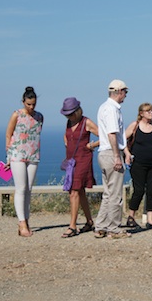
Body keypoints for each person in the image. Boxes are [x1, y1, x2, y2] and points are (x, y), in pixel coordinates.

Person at [94, 79, 133, 239]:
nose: (126, 95)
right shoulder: (111, 109)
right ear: (119, 92)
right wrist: (118, 156)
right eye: (125, 92)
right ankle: (114, 229)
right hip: (111, 153)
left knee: (108, 193)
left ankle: (101, 226)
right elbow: (112, 133)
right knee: (115, 194)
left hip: (104, 153)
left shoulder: (104, 107)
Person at [5, 86, 44, 237]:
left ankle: (26, 220)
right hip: (17, 155)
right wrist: (8, 157)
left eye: (33, 104)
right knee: (20, 188)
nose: (31, 107)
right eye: (28, 104)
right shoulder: (16, 115)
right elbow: (8, 135)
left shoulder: (40, 116)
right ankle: (22, 223)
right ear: (23, 102)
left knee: (28, 189)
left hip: (33, 155)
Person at [60, 97, 99, 238]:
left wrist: (92, 145)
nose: (68, 116)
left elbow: (103, 135)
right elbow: (66, 138)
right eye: (67, 114)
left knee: (74, 191)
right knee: (80, 191)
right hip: (72, 160)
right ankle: (89, 221)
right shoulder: (69, 123)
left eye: (70, 113)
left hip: (83, 159)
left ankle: (72, 226)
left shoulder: (86, 122)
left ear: (77, 111)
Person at [125, 103, 152, 229]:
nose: (151, 113)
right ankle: (131, 216)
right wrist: (127, 154)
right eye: (148, 111)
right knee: (138, 190)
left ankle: (150, 219)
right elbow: (123, 140)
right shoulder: (135, 125)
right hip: (138, 163)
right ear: (141, 113)